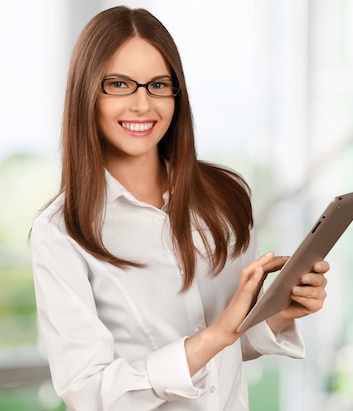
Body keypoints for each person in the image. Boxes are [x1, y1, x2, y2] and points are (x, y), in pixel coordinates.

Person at [29, 6, 329, 410]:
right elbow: (88, 391)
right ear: (88, 92)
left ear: (177, 93)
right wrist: (213, 335)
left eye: (158, 84)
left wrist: (279, 312)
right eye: (119, 84)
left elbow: (230, 348)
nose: (141, 105)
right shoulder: (60, 232)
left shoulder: (226, 198)